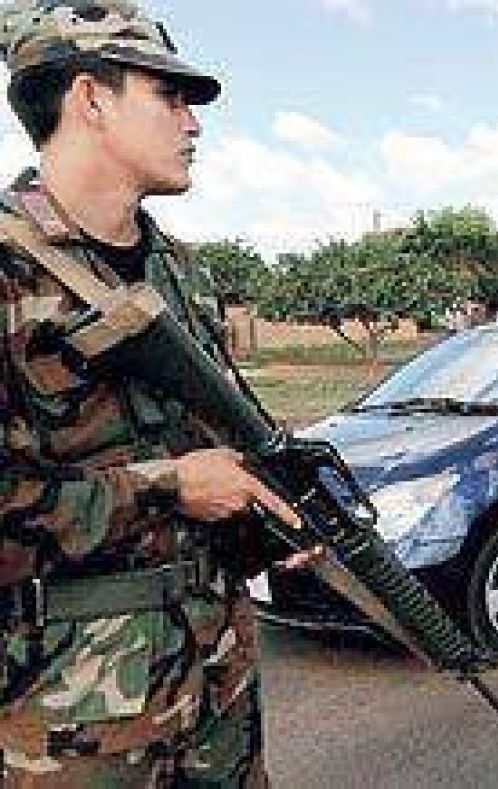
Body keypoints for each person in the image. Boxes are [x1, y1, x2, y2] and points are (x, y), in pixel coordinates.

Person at [0, 1, 302, 784]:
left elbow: (217, 436)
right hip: (70, 720)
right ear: (90, 100)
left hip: (219, 679)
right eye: (168, 96)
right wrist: (165, 488)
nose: (193, 122)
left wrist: (268, 501)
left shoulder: (183, 272)